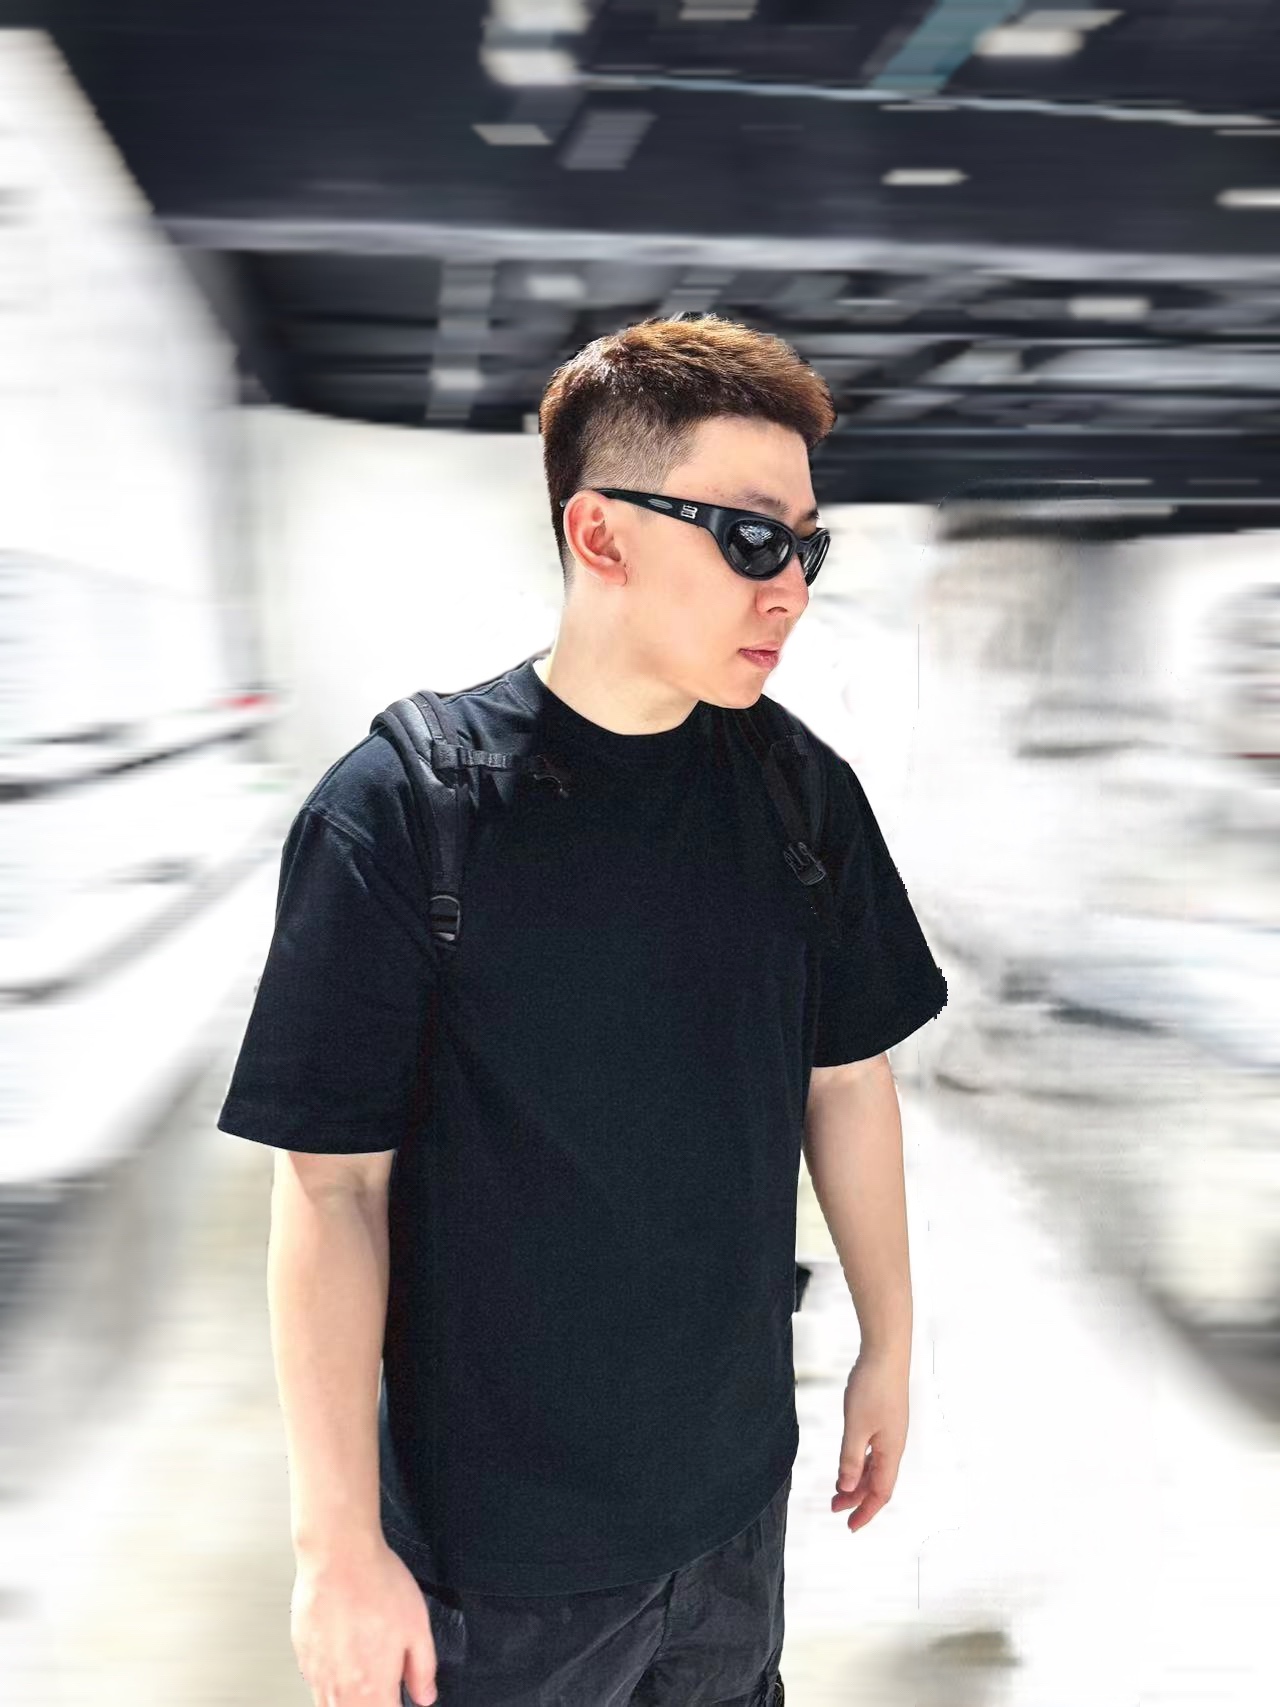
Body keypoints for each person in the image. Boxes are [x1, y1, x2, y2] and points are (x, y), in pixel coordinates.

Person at [216, 312, 948, 1706]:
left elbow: (848, 1078)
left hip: (732, 1514)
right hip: (496, 1562)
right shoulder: (403, 814)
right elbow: (332, 1191)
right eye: (750, 538)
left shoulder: (801, 797)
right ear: (600, 534)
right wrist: (337, 1549)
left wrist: (889, 1344)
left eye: (807, 546)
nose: (789, 590)